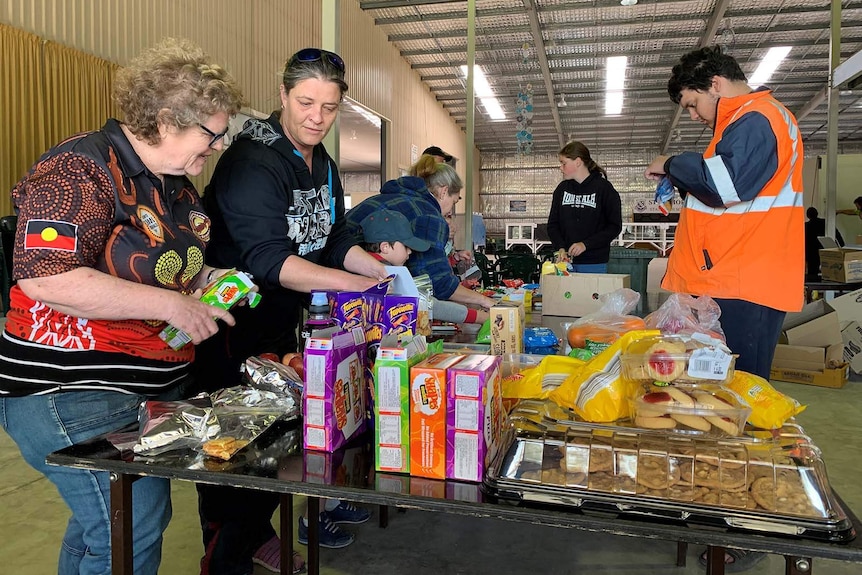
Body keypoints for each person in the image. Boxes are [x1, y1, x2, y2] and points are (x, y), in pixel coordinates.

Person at [0, 38, 244, 575]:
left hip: (141, 390)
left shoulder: (174, 183)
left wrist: (208, 277)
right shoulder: (78, 170)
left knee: (103, 527)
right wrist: (174, 305)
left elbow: (165, 260)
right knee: (128, 523)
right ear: (165, 121)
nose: (218, 146)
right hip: (69, 393)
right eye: (211, 134)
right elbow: (45, 276)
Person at [195, 48, 385, 575]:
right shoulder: (251, 161)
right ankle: (225, 556)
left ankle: (259, 536)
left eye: (329, 107)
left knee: (275, 444)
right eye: (305, 102)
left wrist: (367, 268)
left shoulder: (321, 162)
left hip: (282, 326)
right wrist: (351, 284)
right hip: (232, 329)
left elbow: (337, 233)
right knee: (232, 451)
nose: (316, 118)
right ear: (282, 95)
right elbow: (268, 259)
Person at [645, 45, 804, 573]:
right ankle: (723, 503)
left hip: (746, 284)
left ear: (715, 83)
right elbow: (720, 195)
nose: (692, 115)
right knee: (722, 404)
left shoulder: (759, 118)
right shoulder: (742, 124)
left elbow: (728, 186)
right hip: (731, 281)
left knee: (744, 407)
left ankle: (756, 519)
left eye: (692, 104)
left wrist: (673, 163)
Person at [345, 154, 495, 325]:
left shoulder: (385, 200)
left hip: (335, 294)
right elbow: (438, 287)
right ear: (444, 191)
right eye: (454, 202)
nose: (449, 211)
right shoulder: (429, 215)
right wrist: (484, 304)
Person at [358, 208, 480, 325]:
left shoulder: (360, 267)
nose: (410, 252)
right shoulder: (389, 273)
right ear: (385, 247)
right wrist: (482, 317)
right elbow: (431, 306)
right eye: (406, 246)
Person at [547, 140, 622, 273]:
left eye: (564, 163)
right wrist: (560, 247)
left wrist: (586, 244)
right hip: (565, 263)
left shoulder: (604, 189)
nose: (560, 168)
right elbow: (553, 224)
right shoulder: (561, 189)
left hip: (594, 262)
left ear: (577, 162)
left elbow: (614, 226)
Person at [805, 207, 844, 280]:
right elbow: (837, 234)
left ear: (808, 215)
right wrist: (842, 246)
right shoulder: (825, 222)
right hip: (825, 250)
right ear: (817, 213)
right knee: (829, 270)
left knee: (812, 272)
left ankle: (814, 287)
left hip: (811, 253)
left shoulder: (806, 226)